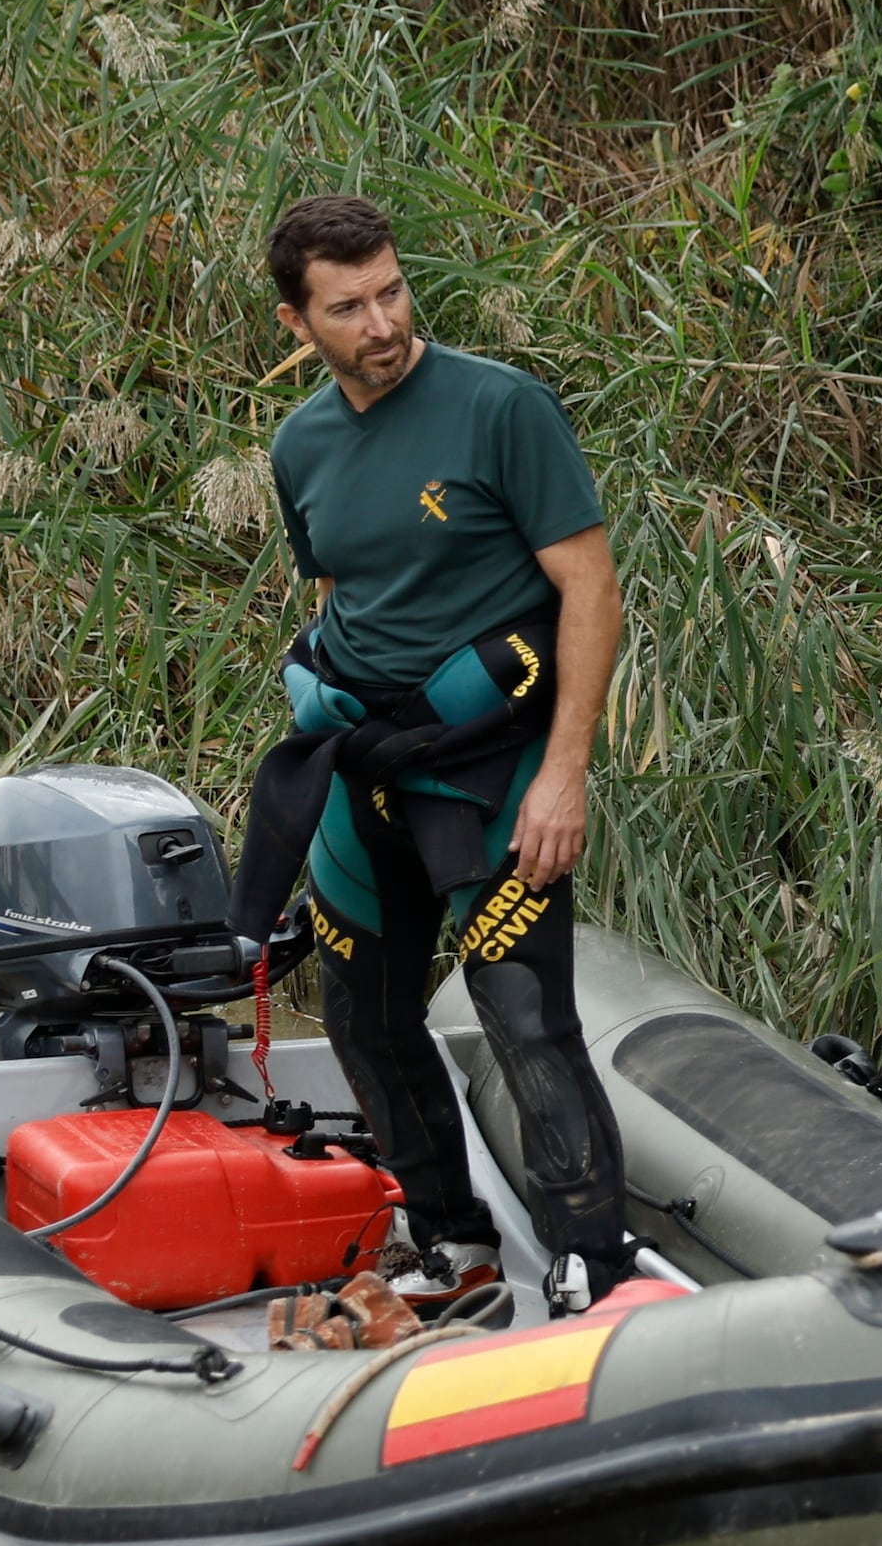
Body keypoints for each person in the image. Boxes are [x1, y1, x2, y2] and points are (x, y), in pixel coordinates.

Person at [225, 191, 643, 1311]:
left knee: (522, 1015)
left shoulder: (502, 409)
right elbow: (343, 582)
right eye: (349, 306)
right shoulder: (300, 442)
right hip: (368, 767)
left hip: (496, 769)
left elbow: (590, 590)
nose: (383, 322)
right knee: (364, 1014)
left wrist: (565, 773)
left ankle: (591, 1271)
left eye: (393, 291)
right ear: (296, 325)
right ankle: (450, 1238)